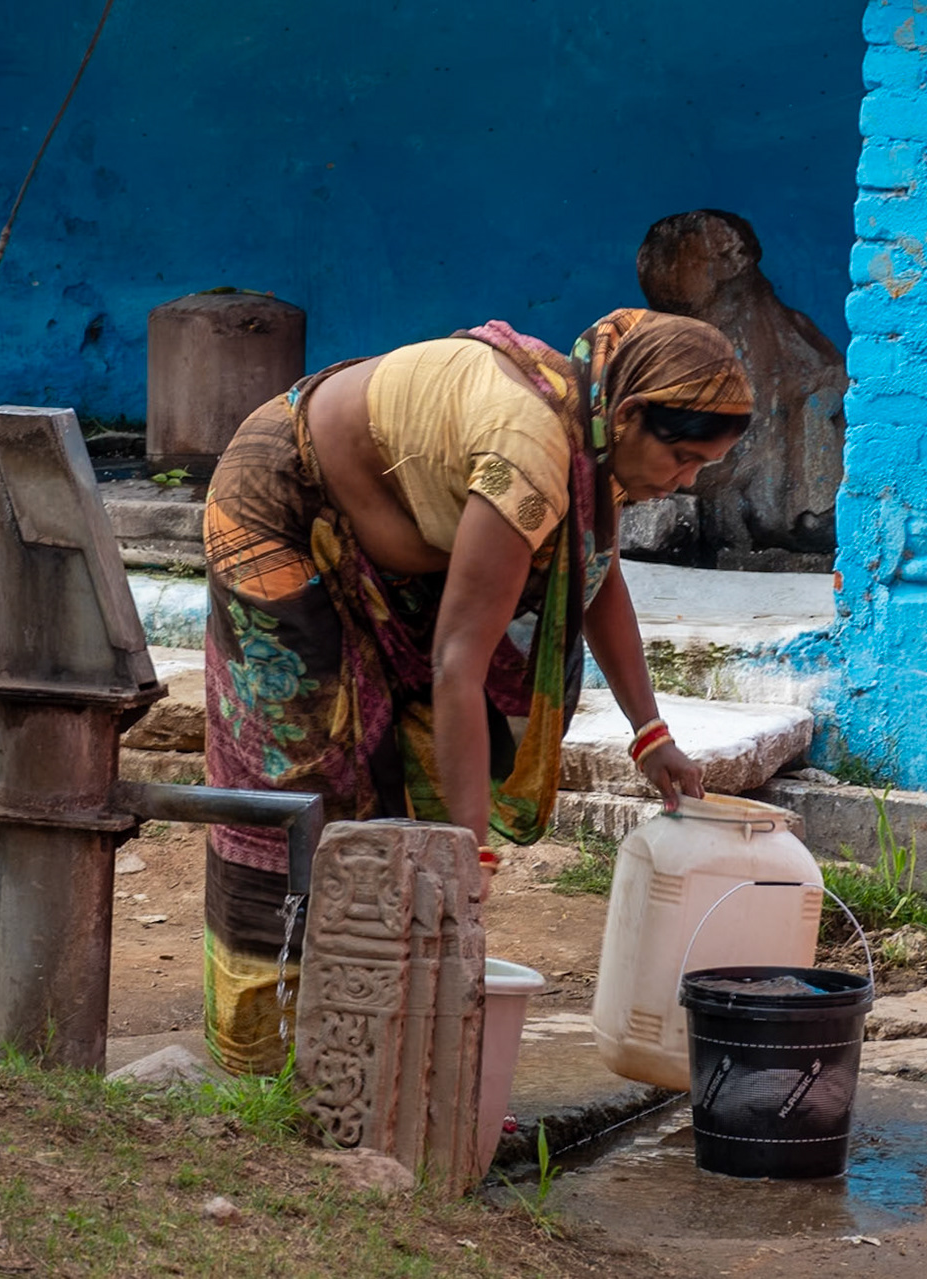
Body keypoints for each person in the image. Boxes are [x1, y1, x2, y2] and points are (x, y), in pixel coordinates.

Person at [199, 307, 754, 1073]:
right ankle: (266, 1058)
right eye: (685, 457)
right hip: (280, 508)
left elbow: (597, 578)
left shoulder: (596, 439)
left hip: (390, 555)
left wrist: (651, 734)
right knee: (304, 779)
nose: (686, 481)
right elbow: (459, 661)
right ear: (628, 416)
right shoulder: (533, 447)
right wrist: (470, 858)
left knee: (397, 780)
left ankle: (373, 1056)